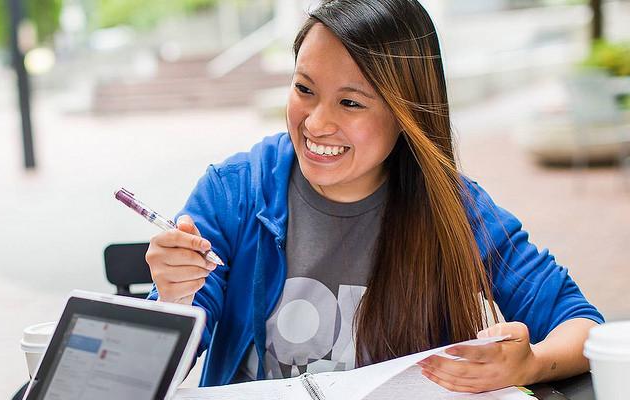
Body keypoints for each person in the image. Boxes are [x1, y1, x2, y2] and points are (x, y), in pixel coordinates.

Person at [145, 0, 603, 393]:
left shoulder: (454, 209)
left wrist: (531, 363)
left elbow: (584, 326)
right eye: (304, 89)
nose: (316, 123)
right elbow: (152, 369)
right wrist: (173, 299)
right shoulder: (235, 191)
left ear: (406, 113)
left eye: (351, 102)